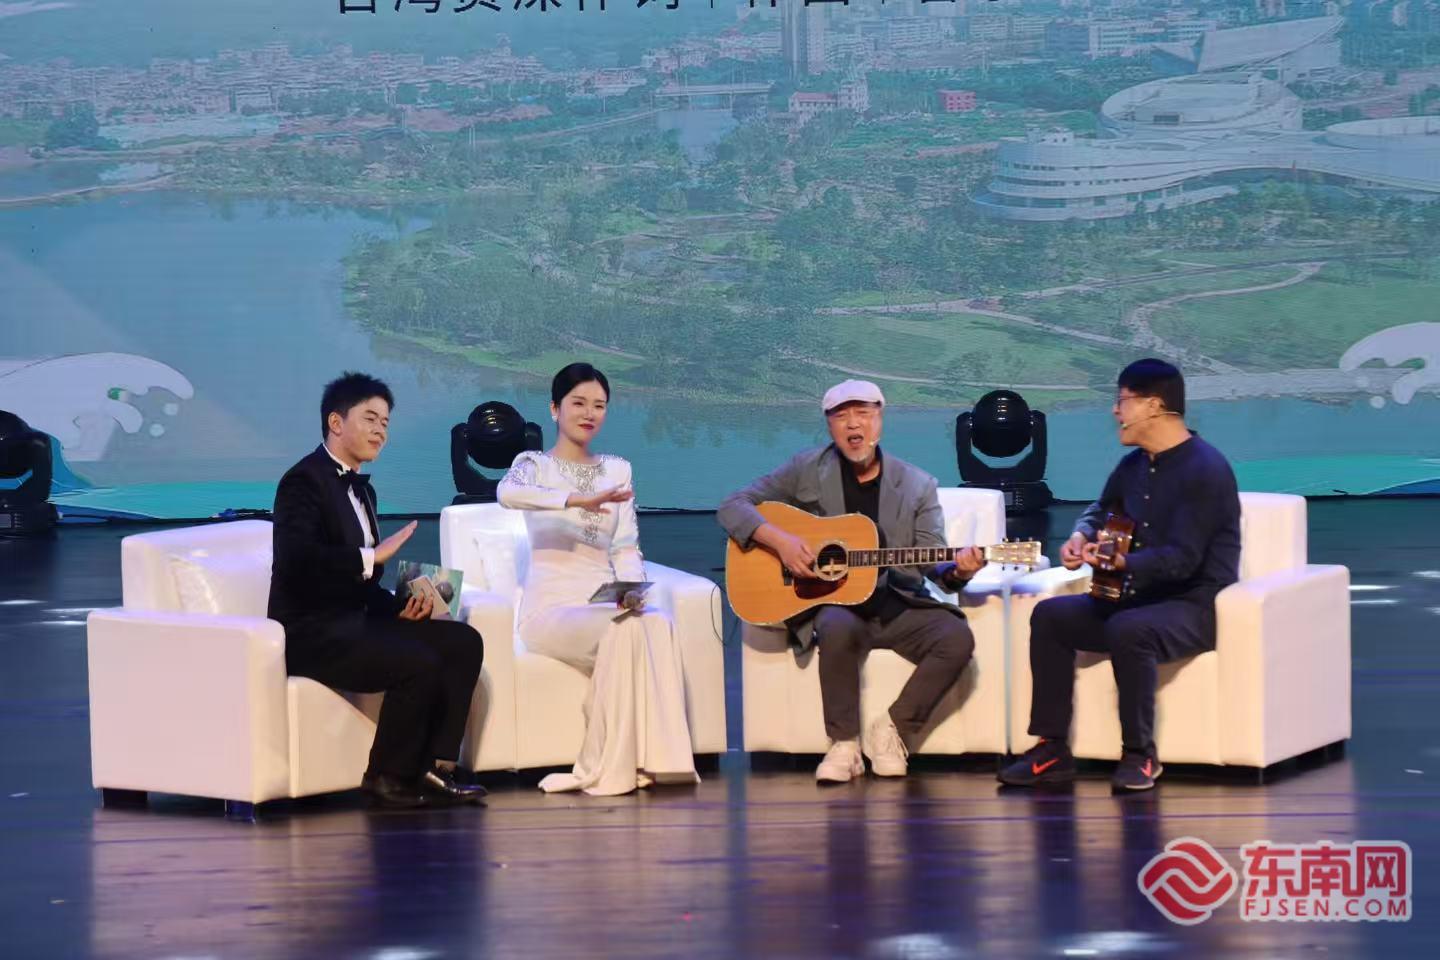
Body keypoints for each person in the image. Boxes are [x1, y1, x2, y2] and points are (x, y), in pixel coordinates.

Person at [717, 380, 986, 783]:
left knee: (956, 638)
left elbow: (934, 566)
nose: (853, 424)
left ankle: (892, 730)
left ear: (880, 419)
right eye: (841, 416)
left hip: (897, 604)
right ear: (829, 425)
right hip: (837, 606)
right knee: (835, 624)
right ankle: (844, 744)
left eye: (863, 413)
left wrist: (960, 571)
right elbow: (732, 506)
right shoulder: (806, 469)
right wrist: (782, 542)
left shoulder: (918, 485)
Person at [998, 359, 1241, 792]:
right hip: (1134, 599)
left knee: (1130, 628)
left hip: (1191, 608)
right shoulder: (1133, 465)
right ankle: (1051, 748)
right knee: (1051, 617)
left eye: (1122, 400)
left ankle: (1140, 754)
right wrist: (1081, 536)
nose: (1116, 411)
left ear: (1153, 405)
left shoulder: (1205, 469)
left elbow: (1184, 560)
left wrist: (1122, 564)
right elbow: (1102, 510)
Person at [268, 372, 487, 809]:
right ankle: (387, 777)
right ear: (335, 422)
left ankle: (436, 766)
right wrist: (368, 557)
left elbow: (363, 584)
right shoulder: (302, 481)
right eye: (370, 419)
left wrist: (399, 607)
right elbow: (298, 560)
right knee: (417, 662)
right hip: (313, 632)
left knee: (463, 641)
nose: (380, 431)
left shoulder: (363, 490)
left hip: (356, 622)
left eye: (385, 423)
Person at [497, 363, 697, 796]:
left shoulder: (617, 469)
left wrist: (632, 591)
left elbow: (624, 546)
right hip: (549, 611)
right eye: (579, 403)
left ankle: (659, 763)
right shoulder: (533, 464)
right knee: (620, 630)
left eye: (599, 405)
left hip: (601, 602)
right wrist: (576, 499)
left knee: (654, 621)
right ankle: (606, 765)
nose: (589, 413)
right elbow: (506, 493)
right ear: (555, 409)